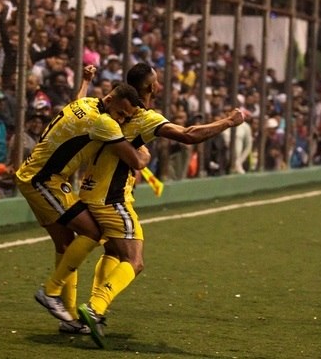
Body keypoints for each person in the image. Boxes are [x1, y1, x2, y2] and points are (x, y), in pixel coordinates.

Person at [36, 63, 244, 348]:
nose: (158, 86)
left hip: (87, 194)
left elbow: (78, 107)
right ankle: (94, 307)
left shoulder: (108, 112)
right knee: (135, 261)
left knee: (110, 250)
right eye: (155, 82)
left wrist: (85, 82)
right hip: (113, 200)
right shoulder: (144, 118)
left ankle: (83, 311)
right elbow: (189, 134)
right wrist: (228, 122)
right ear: (151, 87)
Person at [16, 83, 150, 334]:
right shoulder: (104, 123)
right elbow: (135, 160)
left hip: (36, 175)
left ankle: (69, 319)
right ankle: (50, 290)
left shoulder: (84, 103)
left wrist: (85, 82)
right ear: (109, 100)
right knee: (93, 231)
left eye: (125, 117)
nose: (120, 119)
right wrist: (145, 153)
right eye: (120, 113)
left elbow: (77, 97)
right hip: (44, 180)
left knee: (66, 244)